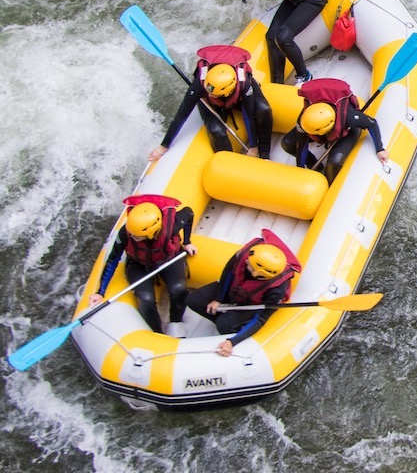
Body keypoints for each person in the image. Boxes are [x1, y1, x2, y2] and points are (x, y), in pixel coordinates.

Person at [89, 194, 197, 335]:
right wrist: (100, 292)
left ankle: (176, 321)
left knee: (178, 289)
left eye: (136, 236)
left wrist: (187, 242)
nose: (132, 237)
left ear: (152, 232)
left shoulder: (171, 226)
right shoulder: (126, 232)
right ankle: (157, 331)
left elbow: (188, 213)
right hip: (139, 264)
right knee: (145, 298)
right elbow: (112, 260)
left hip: (169, 259)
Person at [186, 229, 301, 357]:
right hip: (234, 289)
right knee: (193, 300)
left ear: (260, 273)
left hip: (252, 304)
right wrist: (218, 298)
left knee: (224, 324)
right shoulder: (249, 254)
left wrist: (232, 342)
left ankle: (232, 328)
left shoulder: (276, 291)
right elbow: (229, 272)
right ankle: (224, 317)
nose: (246, 261)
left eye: (250, 265)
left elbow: (260, 319)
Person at [149, 45, 273, 161]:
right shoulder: (201, 84)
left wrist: (253, 147)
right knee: (215, 130)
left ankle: (265, 152)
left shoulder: (244, 84)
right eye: (208, 90)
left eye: (212, 93)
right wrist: (163, 147)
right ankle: (229, 164)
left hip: (237, 96)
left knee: (263, 110)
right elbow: (182, 114)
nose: (209, 94)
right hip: (214, 103)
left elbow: (248, 115)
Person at [282, 78, 389, 183]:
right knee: (288, 143)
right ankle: (317, 167)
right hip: (321, 125)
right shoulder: (305, 122)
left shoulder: (349, 117)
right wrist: (300, 167)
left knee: (334, 163)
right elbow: (301, 146)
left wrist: (380, 149)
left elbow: (371, 123)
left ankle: (328, 182)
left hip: (348, 130)